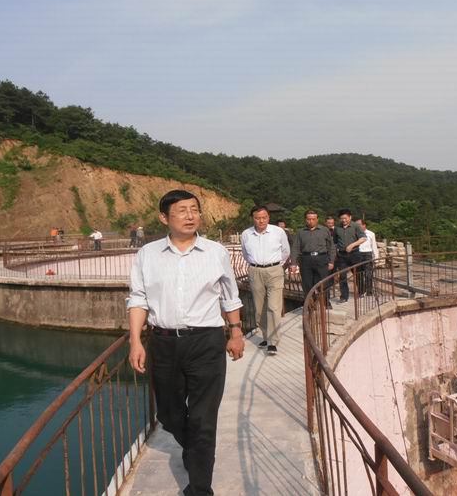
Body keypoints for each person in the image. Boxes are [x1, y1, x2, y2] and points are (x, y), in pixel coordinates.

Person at [127, 190, 244, 496]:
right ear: (164, 218)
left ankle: (200, 487)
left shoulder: (215, 252)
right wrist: (135, 341)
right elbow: (138, 299)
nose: (190, 216)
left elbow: (229, 296)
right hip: (163, 343)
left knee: (204, 420)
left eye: (194, 209)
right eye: (182, 210)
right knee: (169, 415)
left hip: (206, 342)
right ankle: (194, 449)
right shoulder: (148, 254)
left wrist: (236, 333)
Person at [241, 206, 290, 355]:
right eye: (257, 218)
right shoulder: (246, 234)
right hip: (255, 271)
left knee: (274, 307)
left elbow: (286, 251)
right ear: (253, 218)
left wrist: (276, 265)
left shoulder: (278, 232)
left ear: (268, 217)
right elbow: (245, 254)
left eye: (264, 217)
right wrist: (256, 265)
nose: (261, 221)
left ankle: (272, 341)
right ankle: (265, 336)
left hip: (274, 270)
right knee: (259, 307)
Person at [290, 210, 336, 308]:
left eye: (313, 219)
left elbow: (331, 247)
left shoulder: (324, 230)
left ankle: (326, 302)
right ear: (305, 219)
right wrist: (293, 263)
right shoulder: (300, 232)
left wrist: (331, 261)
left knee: (323, 282)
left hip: (321, 258)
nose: (311, 221)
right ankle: (311, 304)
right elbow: (295, 248)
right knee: (307, 283)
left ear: (317, 219)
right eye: (309, 219)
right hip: (306, 259)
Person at [333, 209, 366, 303]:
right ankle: (344, 296)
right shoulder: (337, 228)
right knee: (342, 276)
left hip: (355, 254)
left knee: (358, 274)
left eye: (345, 218)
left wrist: (352, 245)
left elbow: (363, 238)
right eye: (342, 218)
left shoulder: (356, 226)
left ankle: (361, 291)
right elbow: (335, 241)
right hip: (342, 255)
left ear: (350, 217)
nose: (344, 220)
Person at [356, 219, 379, 295]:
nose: (357, 226)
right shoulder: (355, 233)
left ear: (364, 225)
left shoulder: (371, 234)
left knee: (368, 274)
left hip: (367, 254)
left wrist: (376, 258)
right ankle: (361, 291)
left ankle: (369, 291)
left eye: (359, 225)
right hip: (358, 254)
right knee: (359, 274)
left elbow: (374, 246)